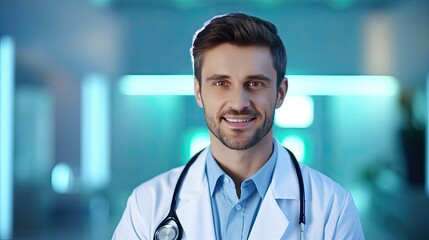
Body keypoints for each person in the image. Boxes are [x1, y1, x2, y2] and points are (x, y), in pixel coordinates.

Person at [113, 13, 365, 240]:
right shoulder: (147, 205)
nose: (238, 103)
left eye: (255, 83)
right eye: (221, 83)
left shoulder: (332, 207)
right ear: (199, 93)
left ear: (280, 93)